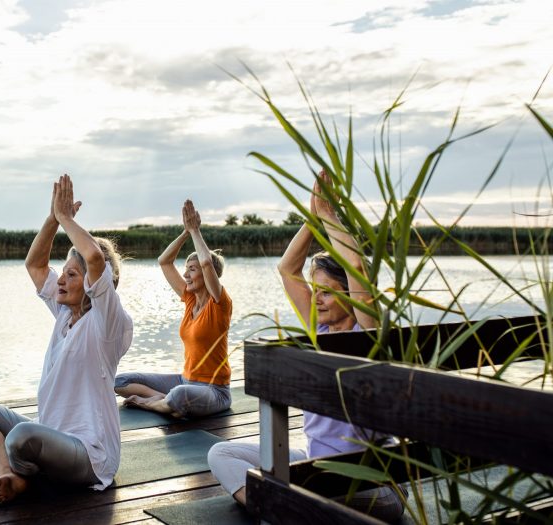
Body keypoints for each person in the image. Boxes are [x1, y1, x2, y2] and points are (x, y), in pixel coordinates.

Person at [207, 171, 406, 522]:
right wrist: (312, 220)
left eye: (326, 291)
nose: (317, 299)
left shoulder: (368, 330)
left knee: (299, 488)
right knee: (221, 454)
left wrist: (329, 215)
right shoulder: (319, 328)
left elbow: (357, 265)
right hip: (317, 466)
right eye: (315, 291)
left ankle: (284, 507)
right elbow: (287, 268)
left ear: (352, 293)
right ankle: (283, 509)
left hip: (373, 484)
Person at [0, 174, 133, 503]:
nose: (62, 280)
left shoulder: (108, 324)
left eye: (71, 274)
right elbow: (35, 264)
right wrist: (53, 218)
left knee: (22, 437)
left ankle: (19, 469)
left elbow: (95, 259)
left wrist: (67, 218)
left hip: (90, 457)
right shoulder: (65, 313)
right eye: (63, 272)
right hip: (52, 438)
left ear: (95, 284)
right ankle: (9, 473)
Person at [114, 200, 233, 418]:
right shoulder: (189, 299)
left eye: (192, 269)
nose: (186, 275)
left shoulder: (219, 303)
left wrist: (196, 230)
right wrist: (186, 232)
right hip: (183, 380)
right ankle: (162, 400)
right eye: (186, 269)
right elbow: (164, 261)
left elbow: (207, 262)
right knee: (120, 382)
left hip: (214, 391)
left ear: (208, 275)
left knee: (179, 395)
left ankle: (153, 403)